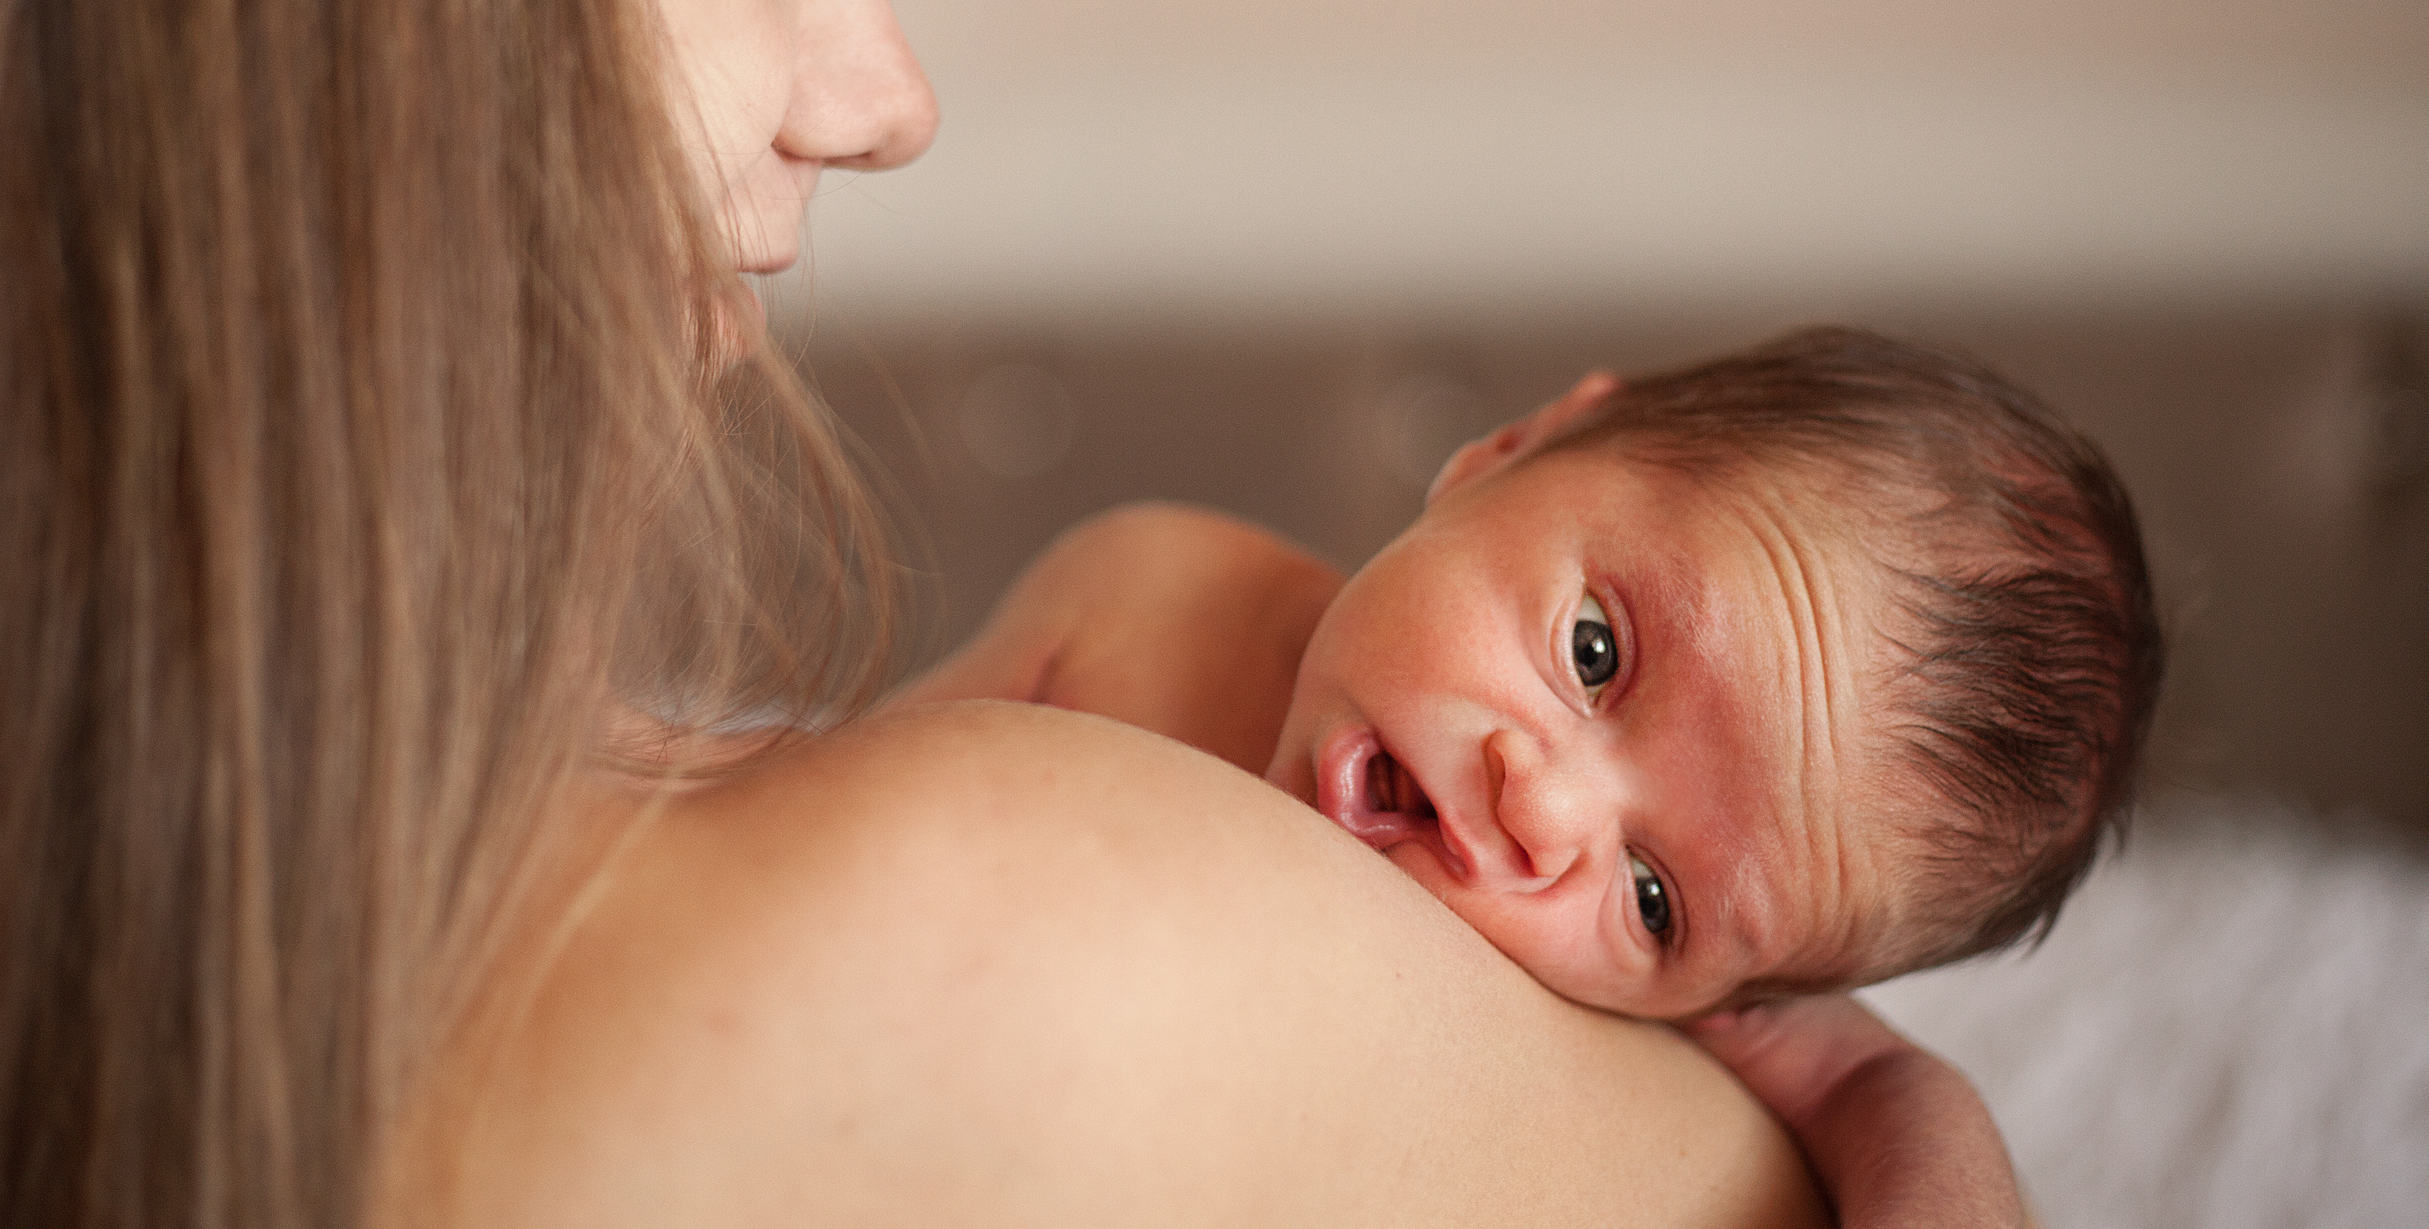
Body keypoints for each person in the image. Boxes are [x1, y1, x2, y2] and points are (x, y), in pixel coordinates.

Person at [0, 0, 2030, 1226]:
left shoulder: (980, 916)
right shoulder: (1096, 699)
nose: (891, 102)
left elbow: (1837, 1068)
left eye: (1657, 899)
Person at [905, 327, 2164, 1022]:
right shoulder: (1152, 599)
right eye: (1595, 654)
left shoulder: (1573, 1025)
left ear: (1720, 1009)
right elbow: (830, 796)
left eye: (1656, 899)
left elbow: (1885, 1097)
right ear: (1515, 448)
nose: (1544, 813)